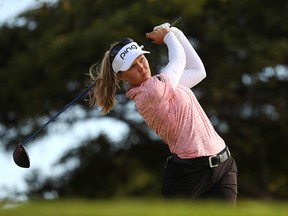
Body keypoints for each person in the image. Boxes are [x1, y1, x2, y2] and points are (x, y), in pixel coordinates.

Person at [88, 23, 238, 204]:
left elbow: (198, 71)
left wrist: (177, 33)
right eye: (132, 66)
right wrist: (167, 36)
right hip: (189, 175)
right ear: (121, 76)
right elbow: (178, 61)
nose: (141, 67)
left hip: (224, 164)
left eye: (141, 59)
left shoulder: (165, 85)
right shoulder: (150, 92)